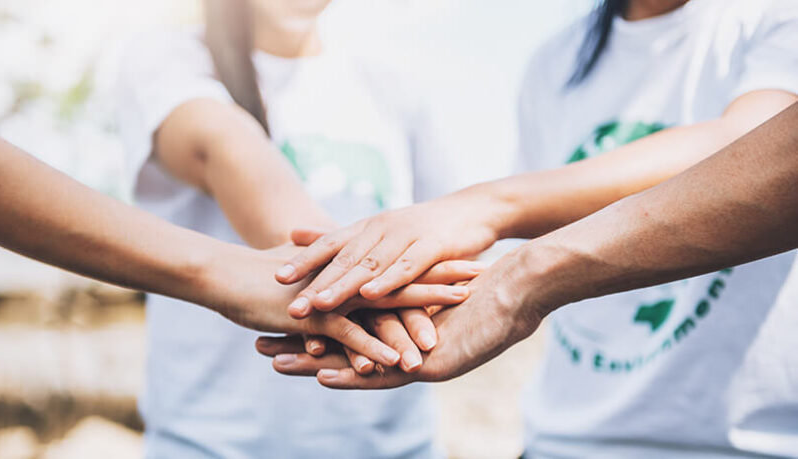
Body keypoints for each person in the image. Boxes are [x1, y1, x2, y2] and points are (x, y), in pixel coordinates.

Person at [273, 0, 798, 456]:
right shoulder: (556, 62)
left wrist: (487, 207)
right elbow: (547, 225)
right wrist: (403, 300)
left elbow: (759, 147)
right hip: (564, 439)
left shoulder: (773, 15)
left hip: (741, 443)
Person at [115, 0, 477, 457]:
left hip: (396, 443)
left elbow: (451, 241)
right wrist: (359, 282)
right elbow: (222, 150)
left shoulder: (392, 87)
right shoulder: (169, 58)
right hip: (216, 444)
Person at [0, 121, 432, 357]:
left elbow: (432, 240)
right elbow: (223, 147)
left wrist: (364, 274)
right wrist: (345, 272)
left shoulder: (396, 79)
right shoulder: (170, 54)